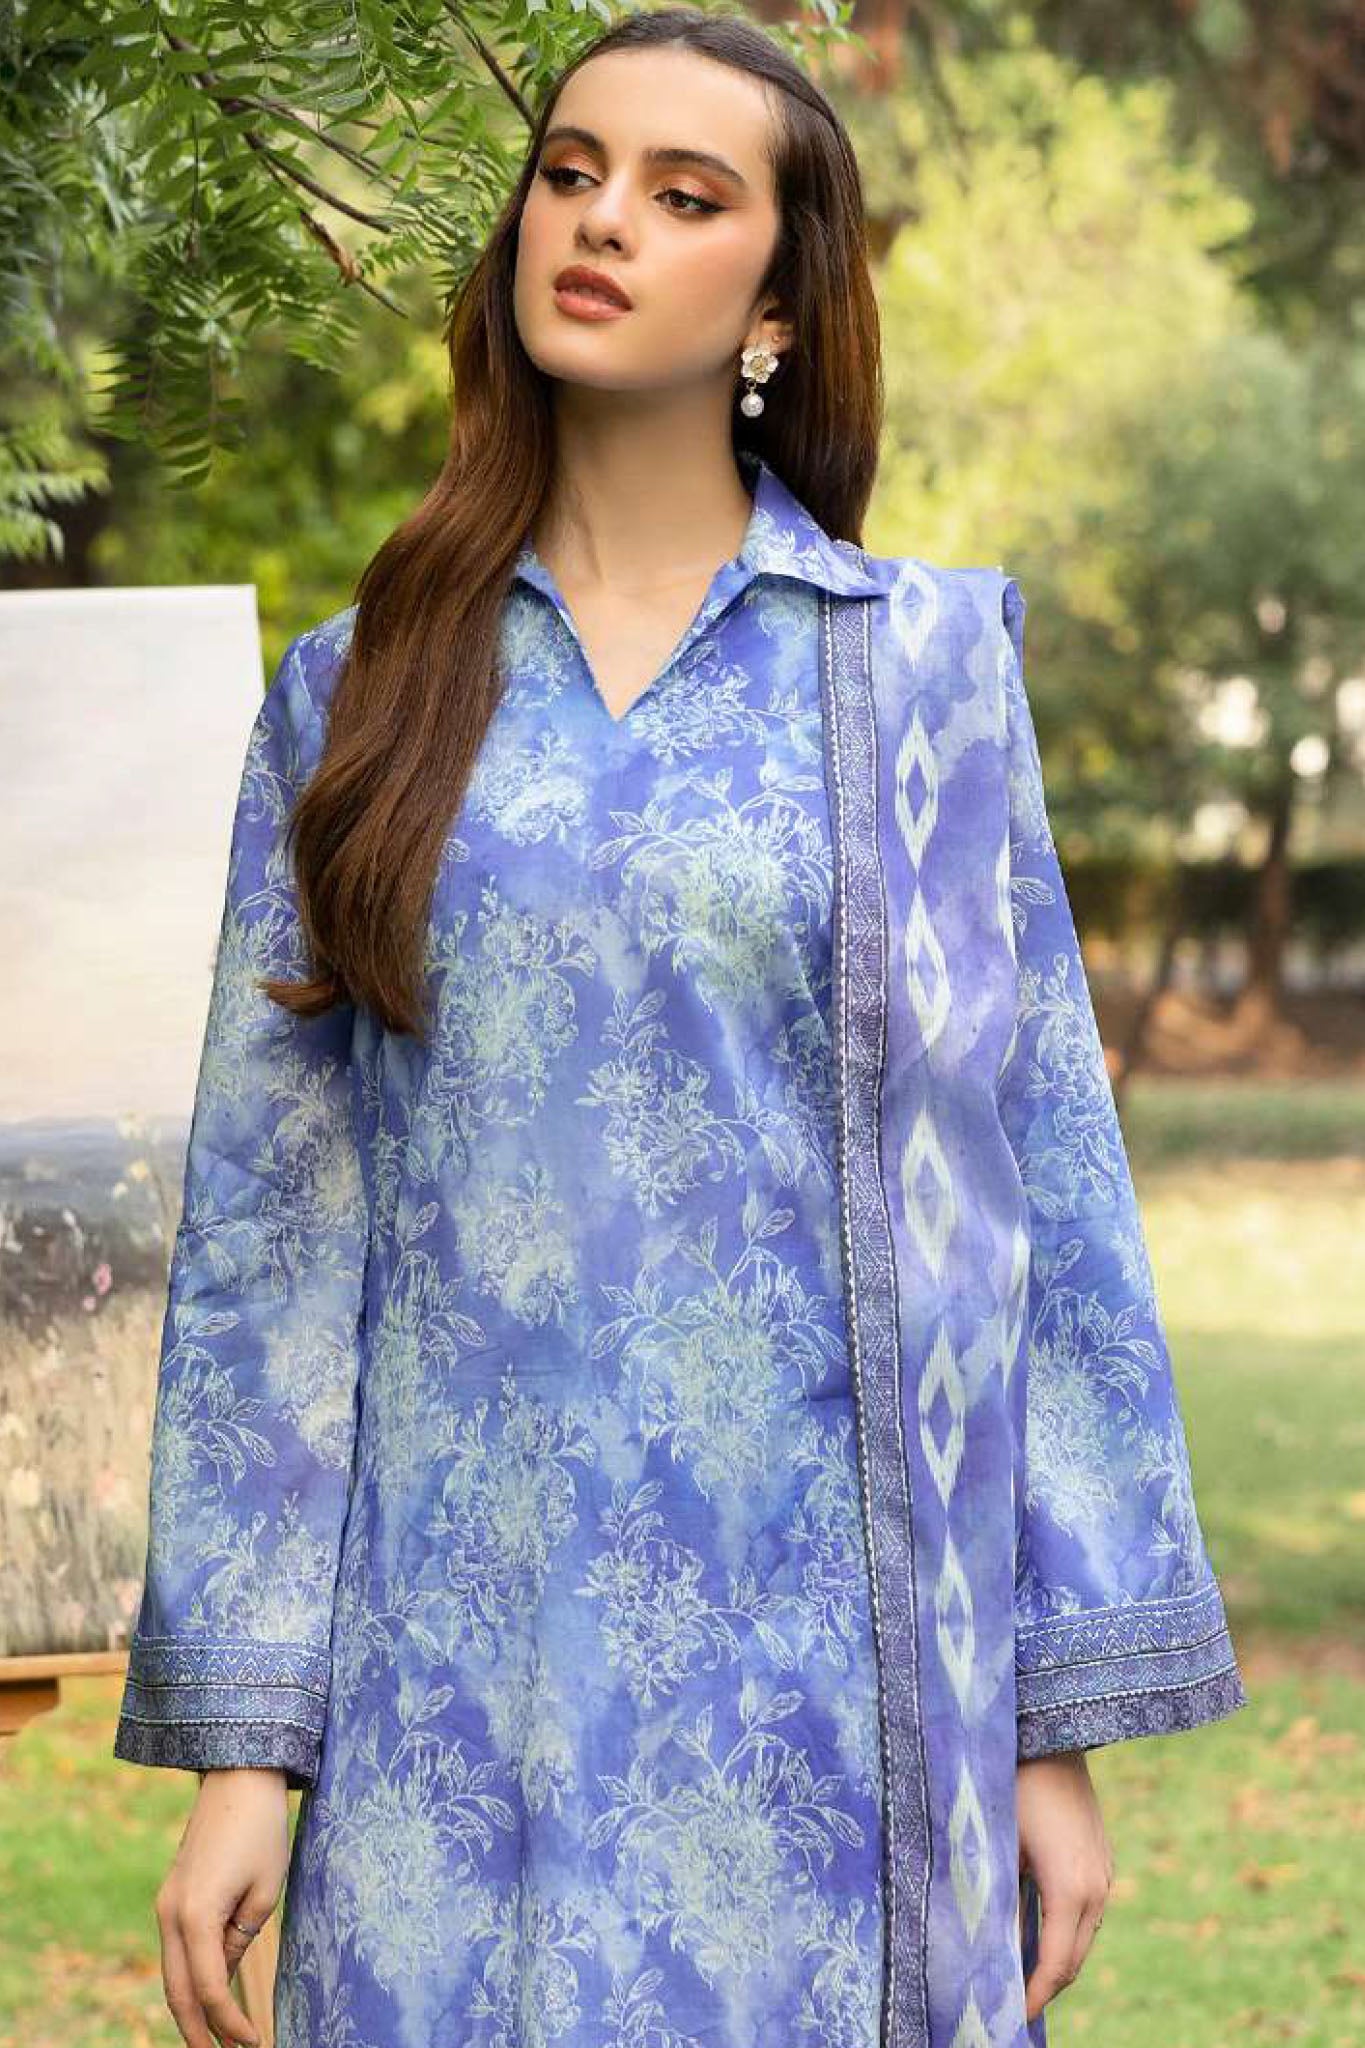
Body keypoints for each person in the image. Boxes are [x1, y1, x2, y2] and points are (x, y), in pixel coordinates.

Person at [112, 10, 1249, 2048]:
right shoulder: (361, 695)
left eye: (680, 191)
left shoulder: (919, 684)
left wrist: (1044, 1722)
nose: (602, 218)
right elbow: (276, 1242)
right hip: (445, 1681)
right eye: (569, 172)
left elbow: (1040, 1199)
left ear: (778, 305)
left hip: (838, 1687)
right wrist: (243, 1752)